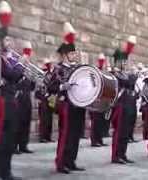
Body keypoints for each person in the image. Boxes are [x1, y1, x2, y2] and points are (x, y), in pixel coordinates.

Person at [54, 22, 86, 174]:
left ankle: (71, 161)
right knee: (65, 134)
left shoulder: (77, 68)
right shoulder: (58, 68)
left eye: (74, 54)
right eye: (72, 54)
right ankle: (61, 163)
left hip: (78, 105)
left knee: (76, 134)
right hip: (66, 105)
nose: (74, 55)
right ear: (65, 55)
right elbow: (50, 85)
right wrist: (62, 87)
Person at [0, 1, 23, 179]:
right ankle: (4, 172)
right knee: (3, 140)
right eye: (6, 39)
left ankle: (6, 170)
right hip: (2, 102)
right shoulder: (2, 59)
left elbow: (18, 77)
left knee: (9, 139)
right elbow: (10, 74)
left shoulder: (9, 58)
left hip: (11, 101)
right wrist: (21, 64)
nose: (10, 42)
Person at [111, 36, 137, 164]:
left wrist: (133, 74)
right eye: (124, 62)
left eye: (126, 62)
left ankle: (123, 154)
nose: (126, 64)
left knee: (126, 131)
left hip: (128, 104)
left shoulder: (125, 73)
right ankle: (116, 155)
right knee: (119, 131)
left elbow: (131, 85)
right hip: (120, 105)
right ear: (119, 62)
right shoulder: (115, 73)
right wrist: (134, 74)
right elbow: (127, 82)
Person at [14, 41, 36, 154]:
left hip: (27, 98)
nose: (28, 61)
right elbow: (15, 81)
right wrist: (23, 73)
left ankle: (23, 145)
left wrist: (32, 78)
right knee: (18, 122)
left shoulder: (29, 70)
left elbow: (32, 87)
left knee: (26, 122)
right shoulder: (18, 68)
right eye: (26, 58)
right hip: (19, 97)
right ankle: (14, 146)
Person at [89, 53, 109, 147]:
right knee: (95, 121)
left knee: (101, 121)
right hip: (95, 100)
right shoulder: (93, 73)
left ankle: (99, 139)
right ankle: (94, 140)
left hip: (102, 100)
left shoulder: (104, 73)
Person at [35, 58, 57, 143]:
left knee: (50, 118)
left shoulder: (52, 74)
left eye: (50, 64)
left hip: (51, 98)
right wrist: (39, 97)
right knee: (44, 118)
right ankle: (42, 137)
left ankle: (48, 136)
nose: (49, 65)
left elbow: (54, 85)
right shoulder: (40, 74)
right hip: (43, 98)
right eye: (48, 64)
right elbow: (38, 87)